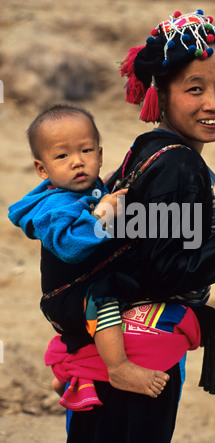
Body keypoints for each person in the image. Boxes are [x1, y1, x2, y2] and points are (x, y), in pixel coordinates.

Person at [14, 10, 215, 443]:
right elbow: (167, 271)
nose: (213, 103)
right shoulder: (176, 163)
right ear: (159, 95)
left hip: (115, 344)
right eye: (194, 89)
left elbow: (155, 243)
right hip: (132, 355)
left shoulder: (151, 151)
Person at [8, 104, 170, 399]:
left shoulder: (89, 187)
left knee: (122, 284)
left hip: (85, 283)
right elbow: (71, 247)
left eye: (86, 151)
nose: (77, 162)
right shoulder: (53, 207)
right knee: (103, 299)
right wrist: (102, 215)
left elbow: (107, 188)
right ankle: (118, 368)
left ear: (100, 154)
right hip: (66, 297)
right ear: (42, 169)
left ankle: (68, 373)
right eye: (62, 156)